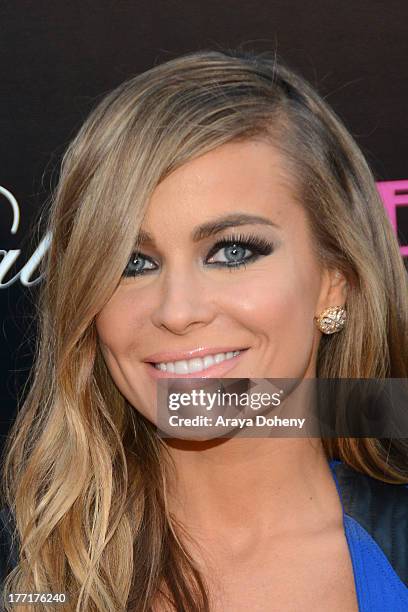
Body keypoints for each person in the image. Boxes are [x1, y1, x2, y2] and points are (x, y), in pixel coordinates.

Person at [1, 48, 407, 612]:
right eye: (132, 263)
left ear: (333, 280)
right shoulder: (31, 566)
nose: (177, 310)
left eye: (232, 251)